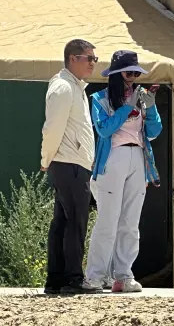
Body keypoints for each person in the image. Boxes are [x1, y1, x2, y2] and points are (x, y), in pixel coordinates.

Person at [84, 50, 163, 293]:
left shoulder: (141, 98)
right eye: (129, 73)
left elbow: (154, 132)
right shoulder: (100, 99)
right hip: (113, 158)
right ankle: (95, 276)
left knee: (130, 222)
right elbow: (104, 130)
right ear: (117, 74)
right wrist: (126, 108)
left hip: (138, 156)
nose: (133, 79)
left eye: (136, 74)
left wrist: (151, 108)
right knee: (108, 220)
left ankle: (124, 275)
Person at [40, 39, 99, 295]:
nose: (93, 63)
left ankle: (56, 280)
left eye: (95, 59)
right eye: (89, 58)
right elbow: (52, 128)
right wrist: (46, 159)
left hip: (74, 163)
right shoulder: (64, 87)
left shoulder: (75, 86)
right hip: (68, 163)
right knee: (75, 221)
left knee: (64, 222)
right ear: (73, 58)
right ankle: (73, 277)